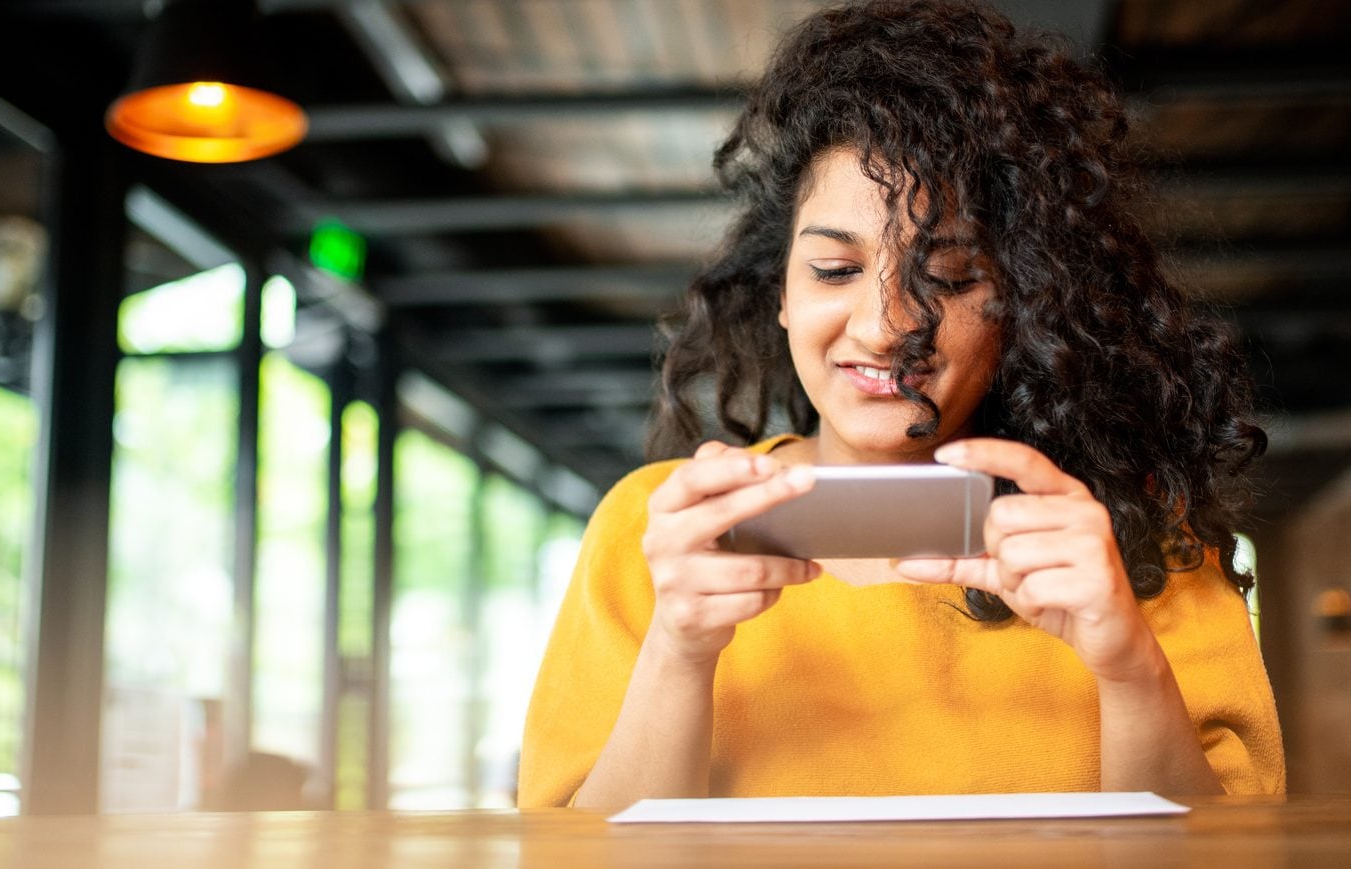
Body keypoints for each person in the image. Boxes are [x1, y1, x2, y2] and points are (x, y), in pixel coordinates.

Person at [519, 0, 1282, 808]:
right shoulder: (656, 533)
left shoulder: (1137, 537)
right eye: (833, 270)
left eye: (949, 277)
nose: (887, 327)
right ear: (779, 291)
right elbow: (575, 849)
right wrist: (677, 649)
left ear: (1023, 300)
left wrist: (1128, 665)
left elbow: (1230, 850)